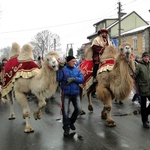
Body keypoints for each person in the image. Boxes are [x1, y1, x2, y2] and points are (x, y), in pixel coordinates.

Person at [57, 56, 84, 137]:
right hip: (66, 93)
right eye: (73, 61)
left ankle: (71, 122)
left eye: (75, 61)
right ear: (68, 61)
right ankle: (66, 128)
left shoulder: (77, 69)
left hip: (75, 93)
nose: (74, 62)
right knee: (65, 112)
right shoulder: (63, 70)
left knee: (78, 109)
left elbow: (82, 79)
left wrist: (74, 79)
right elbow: (58, 79)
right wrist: (59, 70)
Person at [135, 52, 150, 128]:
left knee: (145, 109)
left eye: (147, 57)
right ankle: (144, 121)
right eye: (145, 57)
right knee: (143, 106)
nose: (146, 58)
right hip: (143, 88)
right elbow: (135, 75)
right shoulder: (139, 66)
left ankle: (146, 114)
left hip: (149, 88)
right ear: (143, 58)